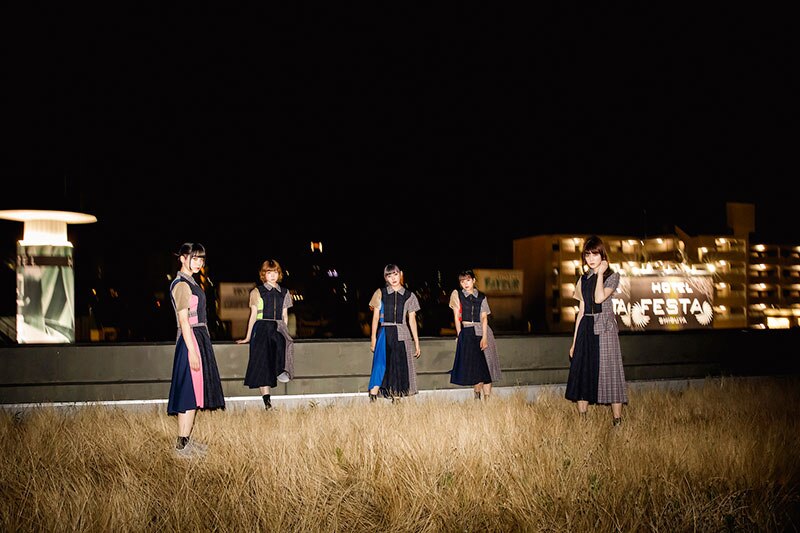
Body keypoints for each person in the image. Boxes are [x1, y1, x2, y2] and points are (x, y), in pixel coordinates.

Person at [167, 243, 226, 457]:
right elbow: (184, 321)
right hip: (190, 339)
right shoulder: (182, 284)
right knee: (188, 394)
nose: (199, 262)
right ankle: (181, 446)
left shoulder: (190, 282)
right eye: (194, 258)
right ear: (183, 258)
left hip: (197, 338)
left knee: (193, 394)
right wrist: (192, 350)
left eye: (201, 258)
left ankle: (185, 442)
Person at [565, 235, 628, 425]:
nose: (591, 258)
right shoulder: (583, 279)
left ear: (603, 255)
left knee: (611, 372)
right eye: (587, 255)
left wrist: (600, 274)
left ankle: (617, 420)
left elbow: (599, 298)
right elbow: (581, 311)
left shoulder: (612, 276)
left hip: (605, 328)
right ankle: (583, 420)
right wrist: (574, 342)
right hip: (586, 327)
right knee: (582, 371)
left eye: (595, 254)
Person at [237, 259, 295, 410]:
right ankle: (267, 404)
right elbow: (253, 315)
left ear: (279, 273)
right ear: (263, 274)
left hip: (278, 327)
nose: (272, 275)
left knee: (281, 353)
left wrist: (284, 332)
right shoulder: (257, 291)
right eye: (269, 272)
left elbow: (285, 315)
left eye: (275, 272)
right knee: (263, 366)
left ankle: (281, 370)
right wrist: (248, 337)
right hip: (262, 328)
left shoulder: (285, 292)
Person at [368, 264, 421, 401]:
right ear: (386, 278)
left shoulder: (410, 296)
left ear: (401, 274)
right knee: (380, 364)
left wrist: (416, 342)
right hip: (384, 332)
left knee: (399, 366)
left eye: (395, 274)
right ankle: (372, 398)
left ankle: (396, 400)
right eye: (389, 275)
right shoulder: (380, 293)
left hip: (402, 333)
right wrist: (373, 338)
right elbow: (375, 317)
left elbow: (412, 320)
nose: (393, 278)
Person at [448, 269, 502, 400]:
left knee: (487, 367)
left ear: (473, 280)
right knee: (476, 368)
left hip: (483, 331)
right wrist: (460, 335)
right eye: (462, 281)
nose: (465, 284)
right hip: (468, 331)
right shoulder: (457, 294)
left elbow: (484, 317)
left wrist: (484, 337)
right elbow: (456, 317)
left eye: (468, 280)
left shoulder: (482, 296)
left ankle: (487, 401)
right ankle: (477, 398)